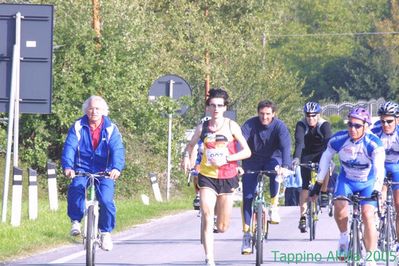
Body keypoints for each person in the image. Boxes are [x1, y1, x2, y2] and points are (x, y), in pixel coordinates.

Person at [181, 88, 251, 266]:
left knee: (222, 227)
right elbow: (190, 146)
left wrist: (228, 158)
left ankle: (214, 225)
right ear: (208, 108)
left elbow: (247, 151)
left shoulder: (231, 126)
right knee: (206, 212)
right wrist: (186, 159)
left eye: (220, 105)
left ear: (225, 107)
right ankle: (209, 259)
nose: (216, 109)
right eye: (212, 105)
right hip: (207, 175)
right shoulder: (202, 127)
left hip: (228, 176)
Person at [310, 107, 385, 262]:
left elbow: (379, 168)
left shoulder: (373, 143)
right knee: (339, 207)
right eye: (350, 124)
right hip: (347, 181)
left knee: (367, 215)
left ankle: (370, 257)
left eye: (357, 125)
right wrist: (318, 184)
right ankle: (344, 237)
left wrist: (377, 189)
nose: (352, 128)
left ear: (366, 126)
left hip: (367, 182)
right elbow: (325, 158)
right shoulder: (339, 139)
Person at [61, 95, 125, 251]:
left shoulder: (110, 128)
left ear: (103, 111)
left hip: (105, 170)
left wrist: (116, 168)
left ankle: (105, 233)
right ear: (86, 110)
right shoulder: (78, 126)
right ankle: (76, 221)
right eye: (90, 108)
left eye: (97, 108)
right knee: (76, 188)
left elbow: (117, 149)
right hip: (81, 167)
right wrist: (68, 167)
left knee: (106, 199)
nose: (94, 111)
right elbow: (69, 146)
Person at [240, 100, 291, 254]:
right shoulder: (249, 124)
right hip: (252, 160)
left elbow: (285, 147)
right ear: (258, 113)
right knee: (247, 196)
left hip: (272, 159)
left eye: (268, 114)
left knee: (277, 172)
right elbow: (239, 142)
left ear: (273, 114)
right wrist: (236, 164)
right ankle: (246, 235)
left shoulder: (280, 126)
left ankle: (274, 207)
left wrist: (285, 166)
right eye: (262, 114)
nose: (264, 117)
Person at [292, 102, 332, 233]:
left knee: (325, 166)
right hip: (306, 154)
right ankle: (302, 217)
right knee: (304, 186)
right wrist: (296, 158)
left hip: (321, 153)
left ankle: (324, 192)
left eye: (313, 116)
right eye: (308, 115)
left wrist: (329, 158)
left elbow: (328, 141)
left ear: (318, 115)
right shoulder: (301, 124)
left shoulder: (324, 125)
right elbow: (299, 142)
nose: (311, 118)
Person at [371, 101, 399, 244]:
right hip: (380, 166)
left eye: (389, 121)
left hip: (397, 167)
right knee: (378, 193)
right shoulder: (374, 132)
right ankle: (377, 215)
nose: (385, 125)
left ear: (397, 119)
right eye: (382, 121)